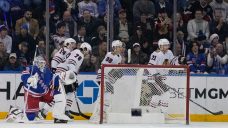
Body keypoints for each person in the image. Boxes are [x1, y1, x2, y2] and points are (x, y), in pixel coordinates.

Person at [6, 56, 77, 123]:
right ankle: (14, 111)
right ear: (36, 63)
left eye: (43, 63)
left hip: (44, 93)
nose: (42, 64)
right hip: (32, 95)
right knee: (31, 118)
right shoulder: (31, 68)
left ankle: (57, 115)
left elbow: (53, 78)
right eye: (40, 63)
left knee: (58, 95)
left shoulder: (47, 71)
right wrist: (28, 78)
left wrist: (64, 76)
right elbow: (24, 74)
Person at [39, 42, 92, 119]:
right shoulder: (79, 54)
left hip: (63, 73)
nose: (88, 54)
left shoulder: (76, 51)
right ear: (85, 49)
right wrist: (73, 76)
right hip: (64, 74)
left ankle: (64, 111)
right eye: (88, 52)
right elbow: (71, 63)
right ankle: (45, 110)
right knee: (60, 94)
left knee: (68, 92)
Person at [90, 40, 123, 123]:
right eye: (119, 46)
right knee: (101, 97)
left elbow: (115, 70)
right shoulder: (110, 55)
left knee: (107, 98)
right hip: (103, 78)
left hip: (109, 80)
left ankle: (103, 114)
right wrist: (102, 80)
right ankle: (97, 116)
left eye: (121, 46)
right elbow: (103, 67)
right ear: (114, 47)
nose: (120, 48)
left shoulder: (119, 57)